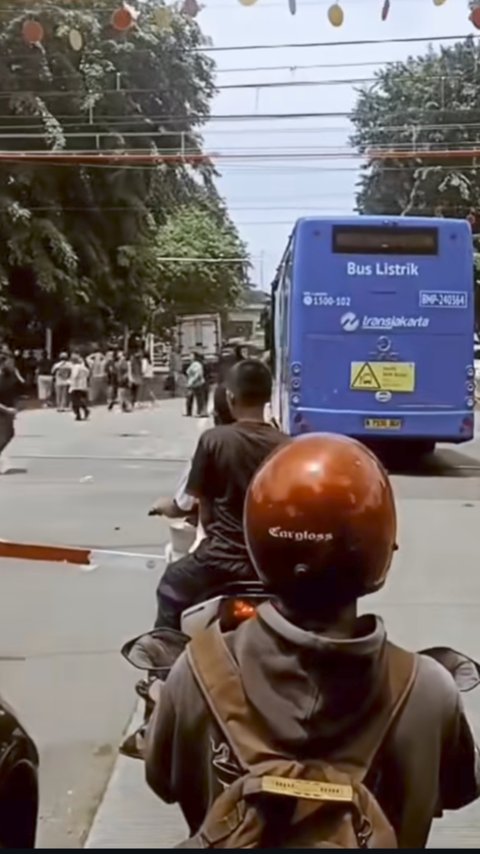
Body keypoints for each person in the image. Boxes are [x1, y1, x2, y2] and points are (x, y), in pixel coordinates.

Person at [145, 434, 480, 848]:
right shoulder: (431, 690)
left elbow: (163, 781)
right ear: (382, 547)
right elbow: (459, 789)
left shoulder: (193, 673)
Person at [154, 359, 286, 630]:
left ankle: (162, 666)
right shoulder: (288, 446)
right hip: (272, 566)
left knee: (170, 588)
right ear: (268, 396)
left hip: (219, 561)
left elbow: (193, 502)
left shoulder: (214, 440)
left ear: (229, 397)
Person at [0, 351, 20, 474]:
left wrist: (14, 408)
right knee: (4, 436)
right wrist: (6, 410)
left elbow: (16, 389)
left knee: (9, 434)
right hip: (3, 409)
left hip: (8, 409)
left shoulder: (8, 375)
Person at [69, 353, 90, 421]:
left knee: (75, 401)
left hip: (76, 386)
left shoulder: (76, 367)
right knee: (79, 400)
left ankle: (78, 415)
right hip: (83, 385)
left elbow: (74, 376)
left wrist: (69, 381)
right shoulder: (83, 367)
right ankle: (85, 410)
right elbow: (88, 374)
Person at [185, 352, 204, 417]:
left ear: (195, 357)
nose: (189, 357)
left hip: (196, 383)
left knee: (198, 399)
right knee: (190, 398)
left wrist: (191, 382)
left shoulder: (197, 364)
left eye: (191, 356)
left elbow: (197, 374)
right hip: (192, 383)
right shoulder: (192, 364)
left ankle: (199, 412)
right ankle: (189, 412)